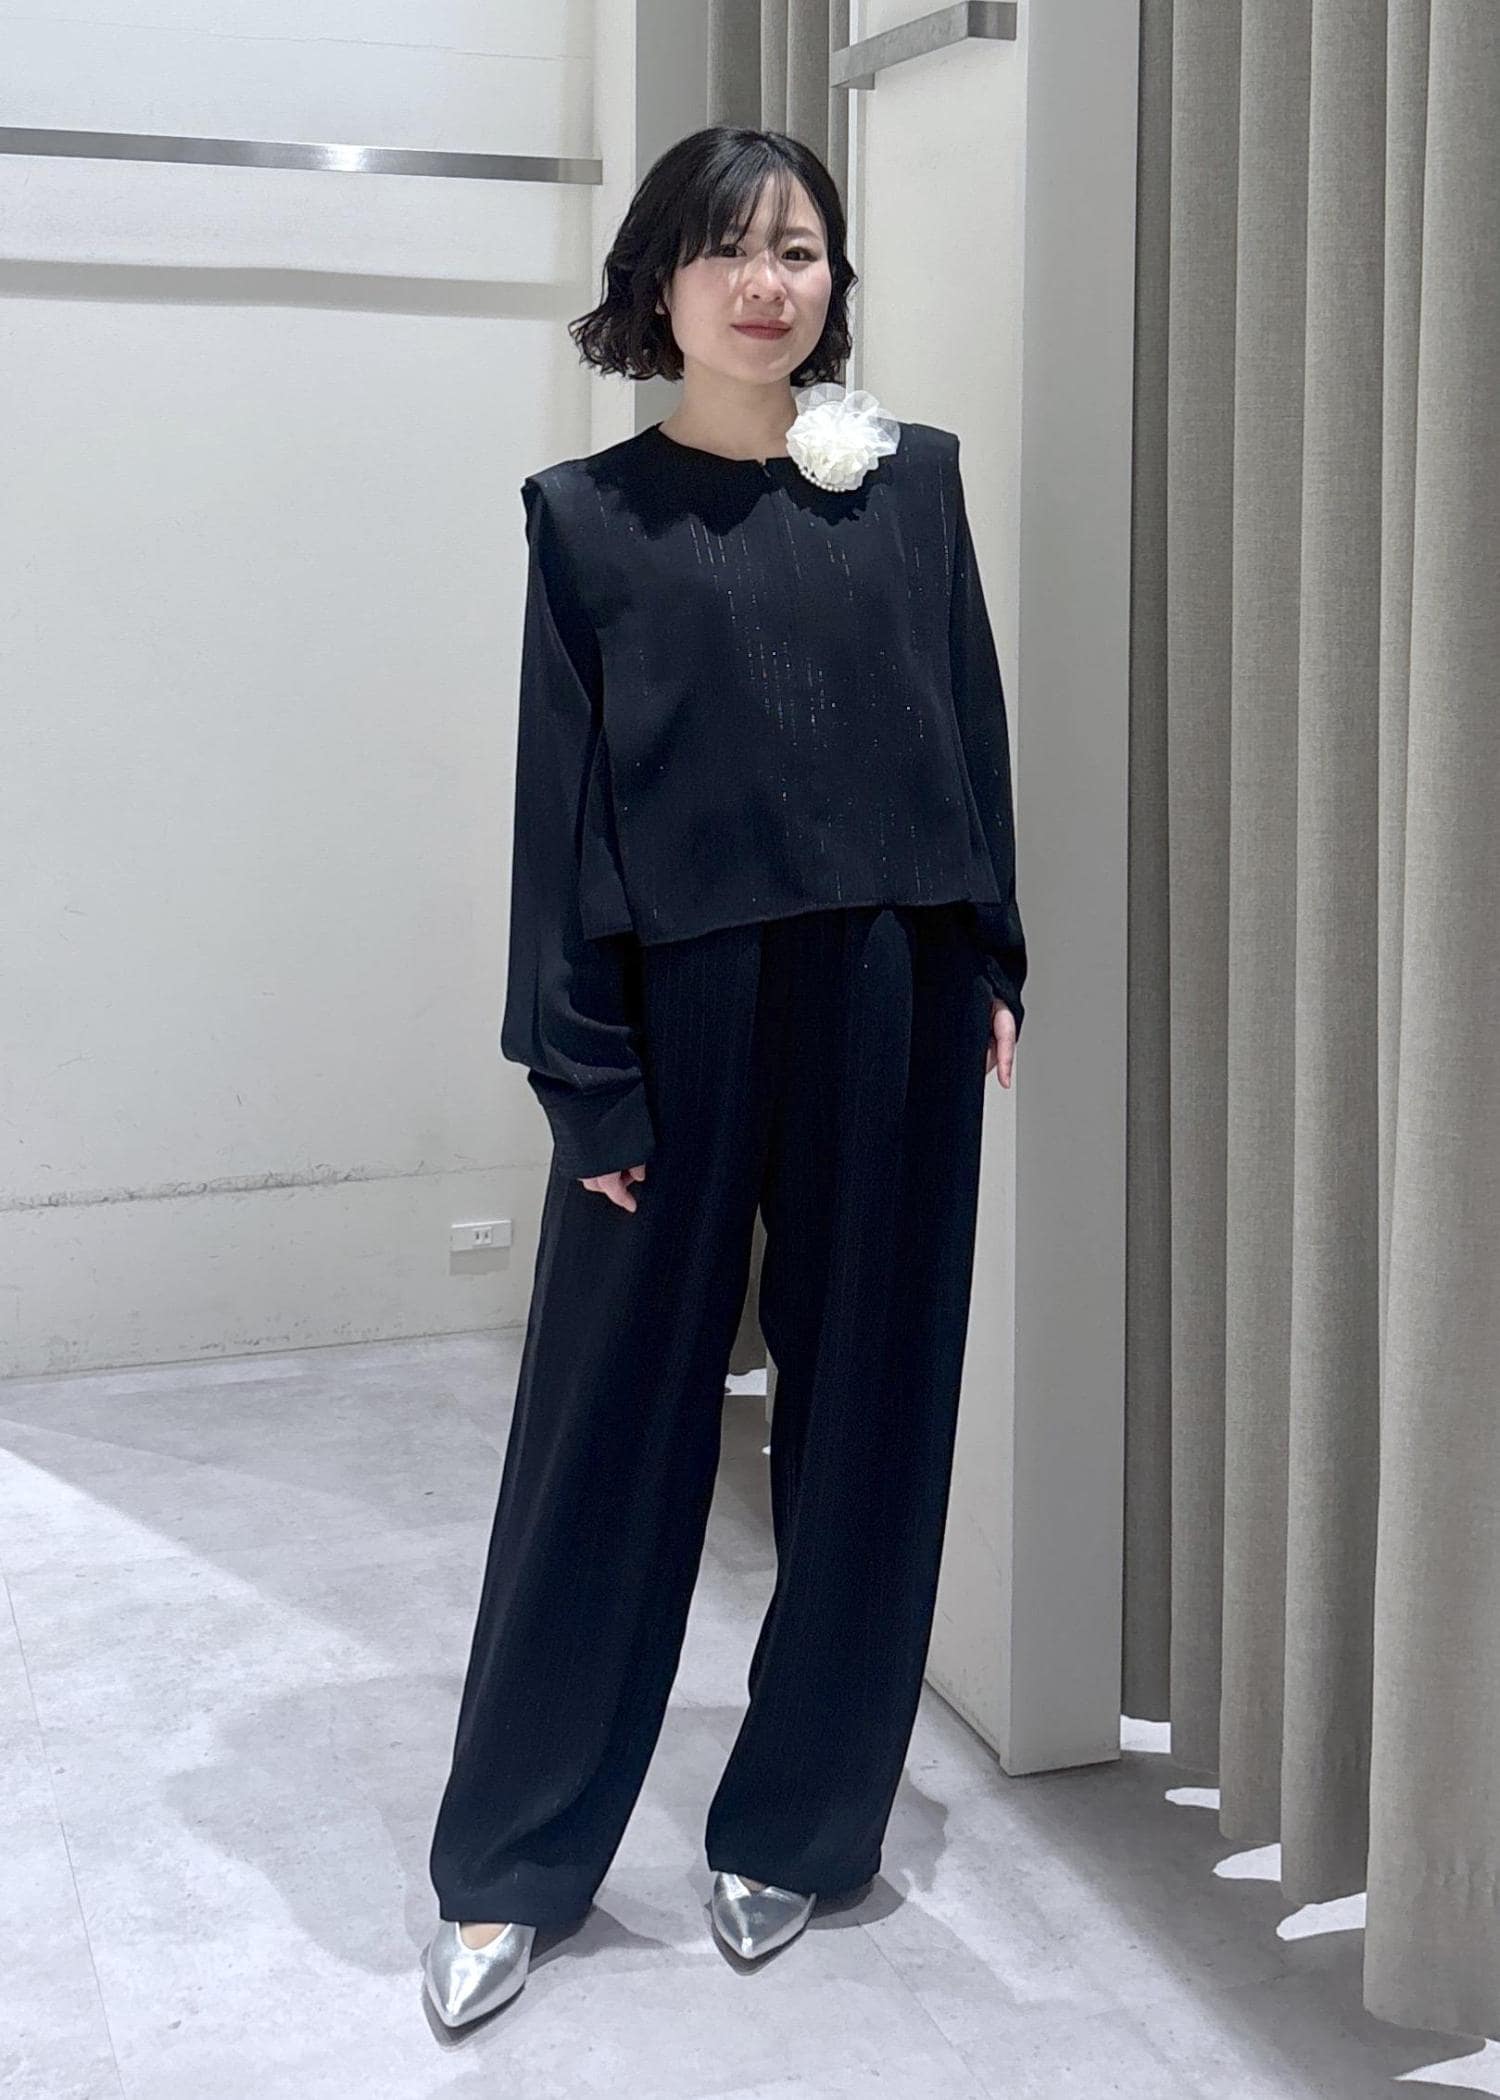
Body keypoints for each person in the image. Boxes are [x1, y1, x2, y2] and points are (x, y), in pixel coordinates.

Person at [422, 124, 1027, 2030]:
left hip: (896, 989)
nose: (770, 284)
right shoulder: (588, 518)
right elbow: (560, 820)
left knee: (874, 1419)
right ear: (659, 283)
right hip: (673, 1011)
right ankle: (512, 1858)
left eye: (801, 251)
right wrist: (584, 1074)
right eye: (730, 250)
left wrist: (993, 952)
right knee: (608, 1430)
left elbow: (968, 722)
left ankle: (805, 1824)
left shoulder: (914, 483)